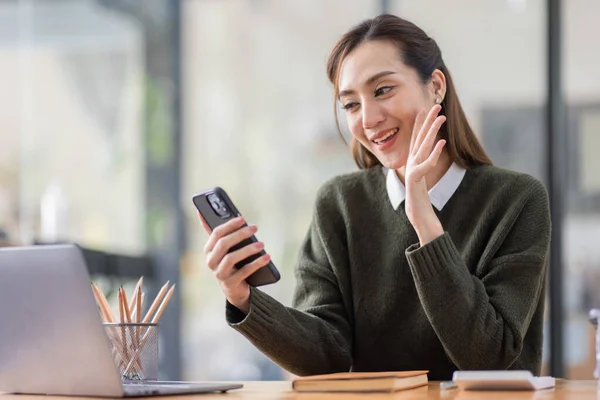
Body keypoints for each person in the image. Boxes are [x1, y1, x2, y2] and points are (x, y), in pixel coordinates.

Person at [197, 14, 551, 381]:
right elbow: (325, 357)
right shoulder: (339, 204)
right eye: (351, 104)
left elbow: (489, 358)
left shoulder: (517, 200)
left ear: (436, 86)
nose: (368, 119)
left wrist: (424, 223)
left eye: (383, 90)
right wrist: (243, 299)